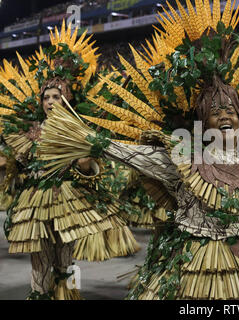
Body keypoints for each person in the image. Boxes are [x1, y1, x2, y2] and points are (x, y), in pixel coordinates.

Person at [38, 0, 239, 300]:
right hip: (193, 259)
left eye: (231, 111)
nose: (224, 116)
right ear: (201, 122)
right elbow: (138, 157)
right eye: (215, 112)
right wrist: (97, 142)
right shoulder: (182, 154)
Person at [0, 22, 139, 299]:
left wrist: (86, 166)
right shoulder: (28, 132)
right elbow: (16, 167)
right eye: (46, 97)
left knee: (66, 261)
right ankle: (39, 295)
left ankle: (69, 295)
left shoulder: (80, 130)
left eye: (57, 96)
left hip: (68, 204)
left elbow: (92, 172)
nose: (51, 101)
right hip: (35, 205)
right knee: (39, 262)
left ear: (68, 99)